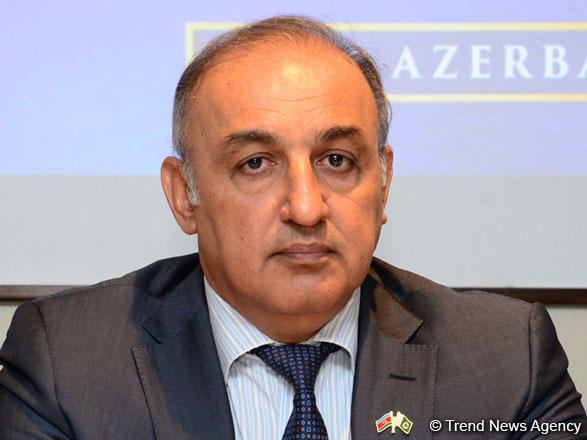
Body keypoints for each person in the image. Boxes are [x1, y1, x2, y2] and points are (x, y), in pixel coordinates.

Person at [0, 15, 585, 440]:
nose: (306, 208)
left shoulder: (507, 361)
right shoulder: (67, 365)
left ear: (383, 183)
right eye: (256, 163)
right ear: (184, 196)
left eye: (337, 160)